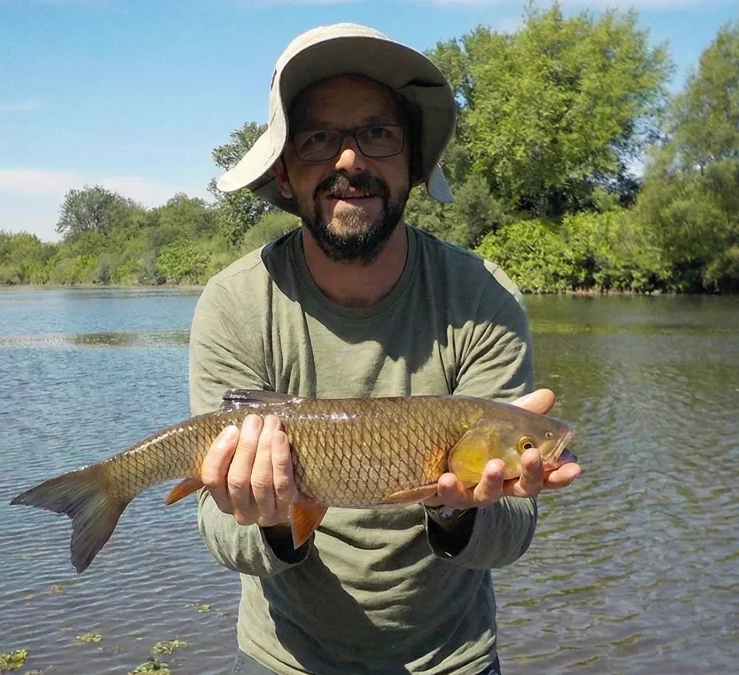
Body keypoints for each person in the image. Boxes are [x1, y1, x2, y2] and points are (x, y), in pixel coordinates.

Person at [188, 23, 582, 675]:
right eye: (319, 138)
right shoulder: (233, 302)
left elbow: (511, 531)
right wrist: (275, 517)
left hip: (449, 656)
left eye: (378, 135)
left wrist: (457, 509)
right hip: (285, 656)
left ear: (413, 164)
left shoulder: (482, 296)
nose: (350, 161)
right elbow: (219, 528)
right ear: (284, 173)